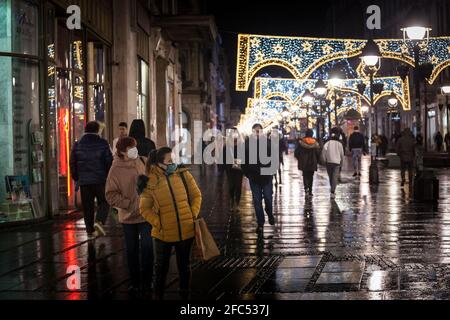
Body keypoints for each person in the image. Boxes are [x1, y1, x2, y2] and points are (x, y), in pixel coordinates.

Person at [139, 147, 202, 300]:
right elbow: (144, 208)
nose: (173, 163)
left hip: (185, 231)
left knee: (184, 267)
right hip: (163, 234)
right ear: (159, 164)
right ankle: (158, 295)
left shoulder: (182, 174)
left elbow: (196, 195)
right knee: (160, 269)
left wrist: (191, 213)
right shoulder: (150, 181)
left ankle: (184, 293)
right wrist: (158, 222)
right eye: (169, 161)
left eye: (173, 160)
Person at [105, 137, 152, 298]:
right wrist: (128, 204)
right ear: (122, 151)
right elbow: (110, 195)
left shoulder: (142, 161)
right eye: (131, 148)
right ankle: (135, 282)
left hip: (146, 214)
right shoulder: (115, 169)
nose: (135, 150)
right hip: (128, 216)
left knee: (147, 247)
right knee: (131, 250)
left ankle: (147, 280)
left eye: (135, 147)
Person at [70, 121, 113, 239]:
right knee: (104, 202)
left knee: (87, 206)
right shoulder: (103, 143)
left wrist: (77, 177)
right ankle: (99, 222)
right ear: (97, 130)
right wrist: (109, 177)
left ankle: (89, 231)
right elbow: (109, 161)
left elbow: (72, 163)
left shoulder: (77, 144)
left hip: (84, 181)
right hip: (100, 180)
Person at [242, 124, 276, 233]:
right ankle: (260, 223)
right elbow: (243, 161)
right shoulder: (247, 145)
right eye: (255, 131)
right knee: (257, 201)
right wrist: (248, 173)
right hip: (254, 177)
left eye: (258, 131)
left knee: (268, 198)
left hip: (266, 176)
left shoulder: (269, 143)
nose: (257, 133)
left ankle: (269, 213)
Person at [221, 128, 244, 212]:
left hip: (239, 169)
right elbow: (223, 157)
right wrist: (223, 168)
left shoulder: (242, 144)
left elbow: (246, 156)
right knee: (231, 186)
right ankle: (231, 200)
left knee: (238, 186)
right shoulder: (227, 145)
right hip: (229, 169)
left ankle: (237, 204)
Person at [294, 129, 321, 198]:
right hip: (312, 162)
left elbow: (296, 153)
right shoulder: (315, 143)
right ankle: (310, 191)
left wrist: (299, 158)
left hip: (304, 162)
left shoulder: (301, 143)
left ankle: (306, 189)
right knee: (311, 176)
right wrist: (317, 160)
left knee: (305, 176)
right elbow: (318, 153)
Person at [322, 127, 345, 199]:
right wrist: (342, 162)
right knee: (335, 177)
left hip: (328, 162)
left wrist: (324, 159)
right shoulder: (339, 144)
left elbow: (323, 152)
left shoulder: (327, 143)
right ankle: (332, 191)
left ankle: (332, 189)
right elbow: (342, 154)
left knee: (330, 176)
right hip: (337, 162)